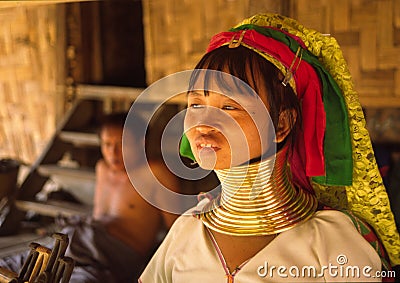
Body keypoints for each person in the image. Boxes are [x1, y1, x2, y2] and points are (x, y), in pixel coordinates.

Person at [139, 13, 400, 282]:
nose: (204, 123)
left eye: (229, 107)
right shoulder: (186, 231)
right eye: (196, 105)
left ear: (281, 125)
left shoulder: (332, 241)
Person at [0, 112, 181, 282]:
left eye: (121, 144)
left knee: (78, 278)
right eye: (107, 144)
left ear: (140, 142)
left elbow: (177, 229)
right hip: (80, 239)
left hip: (113, 255)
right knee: (13, 267)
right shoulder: (102, 168)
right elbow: (97, 214)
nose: (113, 153)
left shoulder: (155, 173)